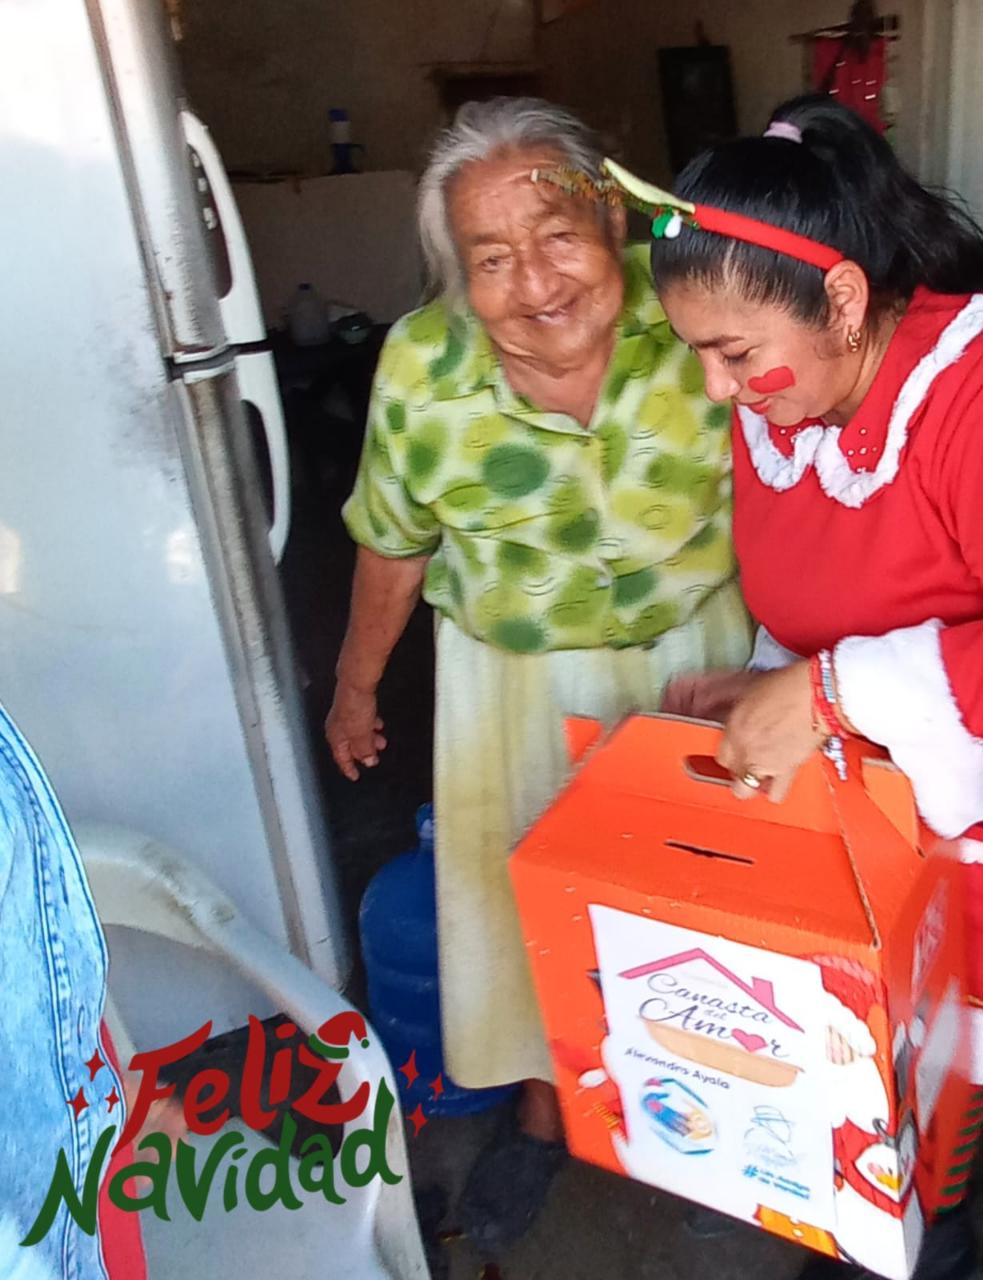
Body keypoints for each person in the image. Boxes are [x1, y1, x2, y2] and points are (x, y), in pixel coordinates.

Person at [325, 96, 751, 1253]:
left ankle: (715, 1117)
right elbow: (390, 542)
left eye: (556, 236)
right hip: (511, 686)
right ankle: (544, 1106)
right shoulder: (424, 365)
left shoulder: (696, 313)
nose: (533, 283)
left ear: (610, 218)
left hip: (697, 667)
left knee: (708, 913)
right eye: (490, 258)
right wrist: (354, 688)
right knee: (527, 911)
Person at [633, 95, 983, 1279]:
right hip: (888, 850)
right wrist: (764, 684)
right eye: (696, 354)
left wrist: (829, 691)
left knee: (957, 1129)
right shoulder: (790, 398)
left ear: (839, 298)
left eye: (733, 353)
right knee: (889, 1131)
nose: (717, 389)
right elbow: (823, 593)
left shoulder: (961, 398)